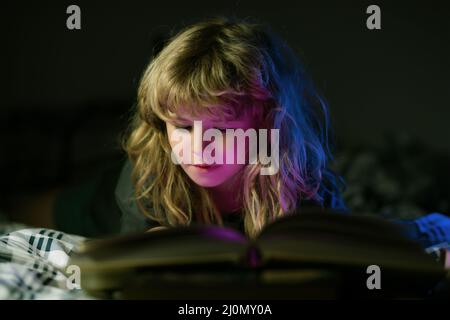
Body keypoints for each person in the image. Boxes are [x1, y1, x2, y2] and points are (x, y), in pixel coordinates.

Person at [11, 18, 450, 264]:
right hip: (105, 198)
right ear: (162, 124)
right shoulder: (150, 170)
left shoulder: (300, 177)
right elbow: (143, 260)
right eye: (182, 126)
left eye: (219, 129)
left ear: (264, 125)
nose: (198, 146)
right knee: (25, 207)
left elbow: (346, 244)